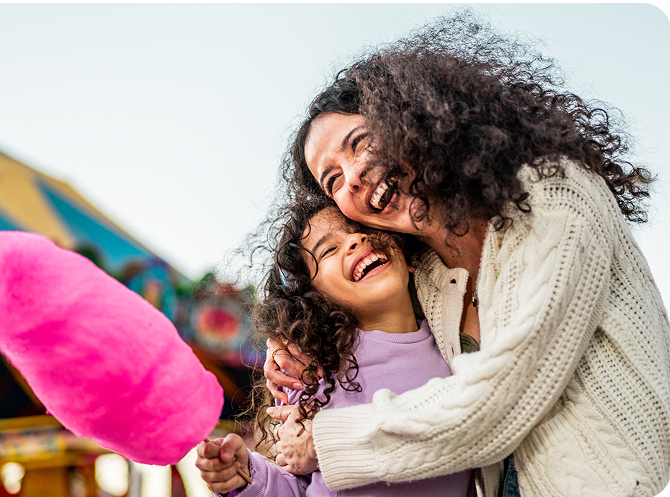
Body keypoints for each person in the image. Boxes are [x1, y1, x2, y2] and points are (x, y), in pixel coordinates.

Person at [263, 12, 669, 497]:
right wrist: (291, 342)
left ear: (414, 119)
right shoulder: (429, 275)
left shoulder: (554, 194)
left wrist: (329, 443)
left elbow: (505, 395)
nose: (350, 176)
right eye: (333, 180)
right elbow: (350, 307)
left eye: (358, 143)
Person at [196, 196, 473, 496]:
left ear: (408, 257)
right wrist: (248, 478)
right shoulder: (309, 370)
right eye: (328, 248)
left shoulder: (453, 340)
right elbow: (300, 486)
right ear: (315, 298)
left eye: (360, 227)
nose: (355, 240)